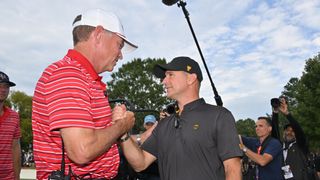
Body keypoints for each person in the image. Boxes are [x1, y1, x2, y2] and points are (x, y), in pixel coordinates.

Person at [32, 9, 137, 179]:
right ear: (98, 34)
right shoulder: (68, 74)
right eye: (119, 45)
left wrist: (111, 123)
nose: (121, 55)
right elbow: (82, 150)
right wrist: (122, 126)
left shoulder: (82, 77)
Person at [120, 56, 243, 180]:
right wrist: (123, 133)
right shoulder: (164, 124)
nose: (164, 81)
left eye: (170, 75)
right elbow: (140, 163)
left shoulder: (219, 116)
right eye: (165, 76)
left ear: (190, 78)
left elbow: (232, 168)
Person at [273, 97, 316, 180]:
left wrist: (287, 114)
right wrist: (275, 112)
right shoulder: (280, 145)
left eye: (292, 131)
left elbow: (298, 129)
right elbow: (275, 132)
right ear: (284, 132)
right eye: (287, 130)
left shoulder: (301, 145)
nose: (289, 132)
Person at [0, 71, 21, 180]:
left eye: (6, 87)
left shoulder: (14, 116)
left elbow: (15, 149)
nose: (3, 90)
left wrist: (16, 177)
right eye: (0, 86)